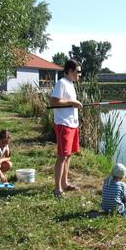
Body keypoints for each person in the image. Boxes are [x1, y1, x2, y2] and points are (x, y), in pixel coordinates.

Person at [50, 59, 83, 197]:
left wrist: (73, 104)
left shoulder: (70, 84)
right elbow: (53, 101)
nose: (79, 74)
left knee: (68, 155)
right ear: (70, 71)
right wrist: (72, 102)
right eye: (78, 72)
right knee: (62, 156)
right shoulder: (61, 83)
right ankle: (57, 189)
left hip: (72, 124)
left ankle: (65, 183)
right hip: (64, 124)